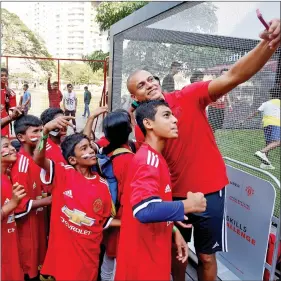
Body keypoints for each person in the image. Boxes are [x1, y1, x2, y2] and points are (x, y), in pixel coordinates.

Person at [126, 19, 280, 281]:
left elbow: (234, 75)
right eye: (141, 85)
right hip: (173, 197)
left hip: (210, 190)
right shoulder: (142, 128)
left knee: (207, 257)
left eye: (150, 78)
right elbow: (150, 170)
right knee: (178, 253)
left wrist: (268, 44)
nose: (150, 83)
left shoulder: (188, 96)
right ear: (136, 98)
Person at [115, 100, 207, 281]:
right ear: (148, 124)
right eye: (166, 115)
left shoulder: (155, 157)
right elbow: (143, 210)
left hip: (152, 255)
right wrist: (187, 205)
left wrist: (173, 230)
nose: (175, 120)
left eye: (173, 115)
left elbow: (153, 203)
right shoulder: (149, 161)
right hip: (143, 264)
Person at [33, 116, 119, 281]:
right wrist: (44, 132)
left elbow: (104, 220)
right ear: (72, 160)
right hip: (64, 254)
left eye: (90, 147)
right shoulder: (63, 173)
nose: (91, 151)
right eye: (84, 149)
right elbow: (38, 158)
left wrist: (129, 223)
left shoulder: (102, 184)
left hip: (89, 256)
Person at [11, 115, 52, 280]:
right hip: (27, 232)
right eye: (36, 131)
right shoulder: (21, 165)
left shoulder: (38, 159)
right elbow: (18, 206)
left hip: (39, 225)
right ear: (21, 137)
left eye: (42, 130)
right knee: (30, 271)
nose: (41, 134)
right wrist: (49, 200)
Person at [100, 109, 136, 281]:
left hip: (110, 215)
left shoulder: (107, 151)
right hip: (123, 217)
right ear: (129, 129)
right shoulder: (128, 160)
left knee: (109, 255)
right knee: (118, 262)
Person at [1, 136, 26, 281]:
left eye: (11, 145)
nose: (12, 148)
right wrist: (13, 203)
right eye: (5, 146)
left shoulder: (7, 175)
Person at [243, 87, 280, 169]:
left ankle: (265, 163)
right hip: (276, 124)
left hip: (266, 125)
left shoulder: (266, 103)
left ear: (271, 95)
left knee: (269, 143)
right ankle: (261, 152)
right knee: (278, 142)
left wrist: (246, 119)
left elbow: (256, 113)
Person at [207, 68, 233, 133]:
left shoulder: (227, 84)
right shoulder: (216, 82)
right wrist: (216, 98)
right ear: (220, 74)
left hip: (221, 108)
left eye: (226, 74)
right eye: (223, 74)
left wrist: (229, 105)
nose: (225, 75)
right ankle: (210, 137)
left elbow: (227, 95)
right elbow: (210, 92)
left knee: (218, 125)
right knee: (212, 124)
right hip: (213, 107)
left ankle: (213, 136)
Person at [1, 67, 17, 137]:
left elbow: (12, 109)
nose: (4, 77)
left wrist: (16, 111)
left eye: (5, 75)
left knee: (4, 140)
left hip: (4, 121)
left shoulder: (10, 92)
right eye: (1, 75)